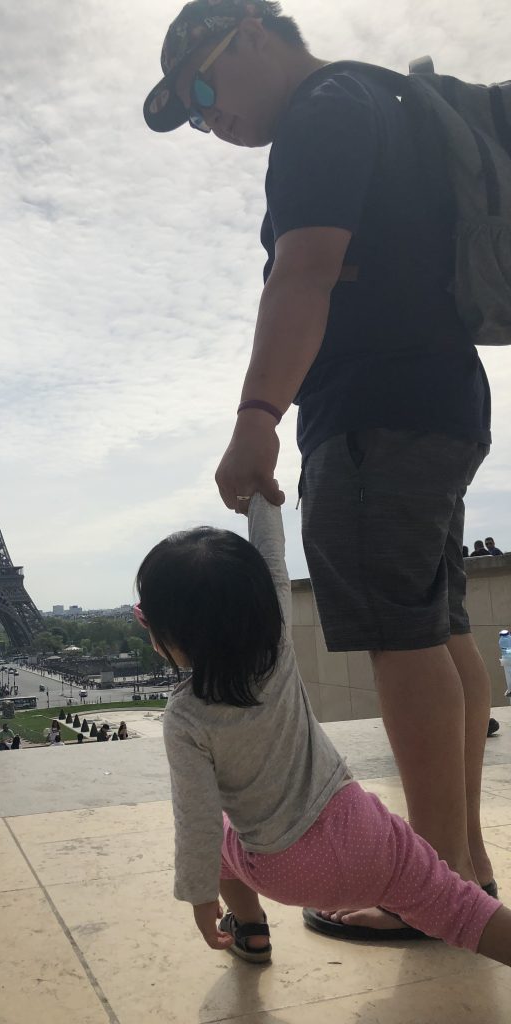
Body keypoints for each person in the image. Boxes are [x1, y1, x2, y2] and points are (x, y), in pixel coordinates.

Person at [144, 0, 496, 940]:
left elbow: (304, 271)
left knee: (401, 636)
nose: (207, 118)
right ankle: (462, 863)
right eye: (189, 109)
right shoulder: (379, 100)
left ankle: (428, 889)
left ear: (254, 33)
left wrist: (256, 419)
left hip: (376, 413)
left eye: (205, 87)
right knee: (439, 626)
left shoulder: (321, 116)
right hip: (440, 402)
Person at [135, 494, 510, 965]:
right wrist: (261, 501)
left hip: (281, 869)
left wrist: (199, 895)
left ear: (166, 633)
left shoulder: (185, 717)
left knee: (221, 839)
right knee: (466, 912)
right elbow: (272, 559)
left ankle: (249, 929)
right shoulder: (276, 648)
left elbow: (197, 820)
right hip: (366, 837)